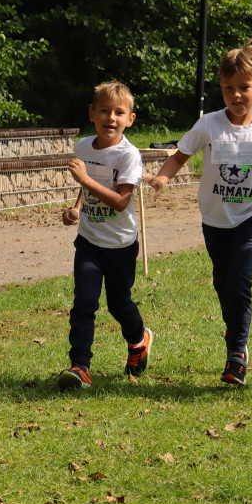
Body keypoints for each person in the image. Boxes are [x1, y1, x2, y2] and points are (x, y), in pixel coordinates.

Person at [148, 42, 252, 385]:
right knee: (223, 283)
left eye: (244, 88)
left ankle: (237, 353)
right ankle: (234, 331)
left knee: (240, 280)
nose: (236, 95)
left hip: (250, 218)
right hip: (214, 219)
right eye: (229, 88)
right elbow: (180, 155)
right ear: (221, 87)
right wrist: (162, 177)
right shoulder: (208, 124)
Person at [57, 80, 154, 390]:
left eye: (118, 112)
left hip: (121, 245)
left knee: (118, 304)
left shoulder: (129, 155)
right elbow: (86, 185)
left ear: (130, 119)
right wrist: (76, 207)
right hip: (89, 242)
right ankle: (80, 366)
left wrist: (85, 178)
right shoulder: (83, 146)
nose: (110, 118)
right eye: (104, 111)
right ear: (92, 114)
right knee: (84, 302)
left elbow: (121, 200)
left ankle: (139, 341)